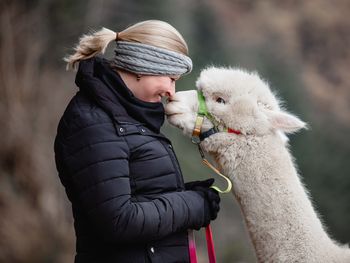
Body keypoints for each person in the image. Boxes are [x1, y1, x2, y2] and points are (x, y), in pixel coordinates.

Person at [54, 20, 220, 263]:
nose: (172, 92)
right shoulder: (91, 122)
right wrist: (192, 205)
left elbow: (139, 193)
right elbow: (119, 220)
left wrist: (186, 195)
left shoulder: (129, 115)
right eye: (171, 78)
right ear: (144, 66)